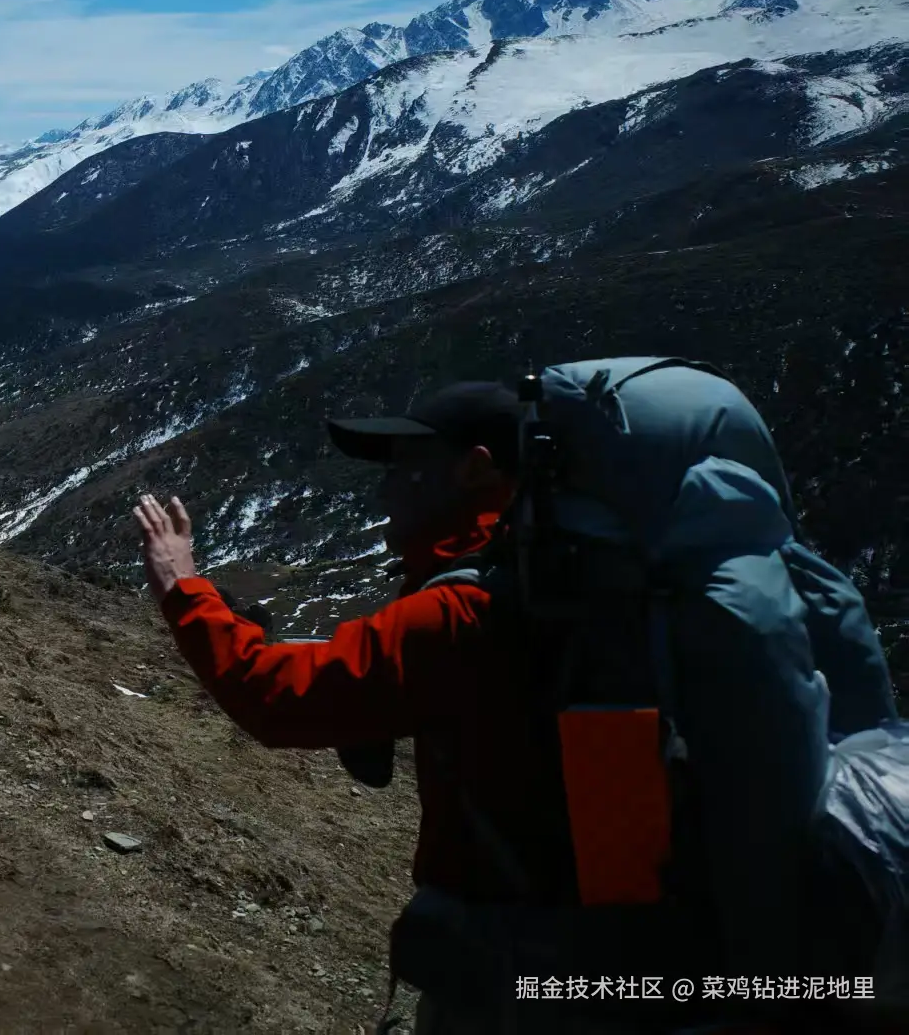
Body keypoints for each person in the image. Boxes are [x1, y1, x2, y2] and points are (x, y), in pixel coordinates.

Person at [135, 379, 784, 1035]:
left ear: (475, 469)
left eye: (410, 468)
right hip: (628, 945)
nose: (386, 490)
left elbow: (273, 694)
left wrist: (181, 583)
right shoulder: (574, 590)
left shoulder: (464, 615)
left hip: (516, 972)